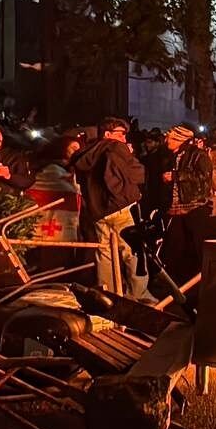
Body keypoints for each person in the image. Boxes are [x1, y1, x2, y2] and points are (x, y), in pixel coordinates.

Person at [70, 117, 149, 299]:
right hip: (121, 207)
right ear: (108, 134)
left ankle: (108, 294)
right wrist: (130, 156)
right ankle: (138, 295)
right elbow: (135, 174)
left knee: (105, 253)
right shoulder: (115, 147)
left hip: (99, 212)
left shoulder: (86, 153)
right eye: (121, 134)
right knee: (132, 251)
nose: (124, 138)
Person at [159, 125, 214, 284]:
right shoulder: (169, 156)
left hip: (194, 208)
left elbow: (204, 179)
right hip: (175, 209)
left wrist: (176, 175)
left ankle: (198, 282)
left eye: (169, 138)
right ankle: (179, 282)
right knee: (176, 248)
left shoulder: (198, 155)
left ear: (179, 140)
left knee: (195, 247)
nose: (166, 140)